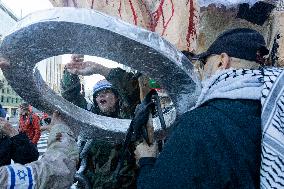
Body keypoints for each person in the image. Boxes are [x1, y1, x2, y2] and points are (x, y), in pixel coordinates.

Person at [134, 28, 284, 189]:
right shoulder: (276, 112)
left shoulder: (199, 124)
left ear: (222, 62)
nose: (201, 70)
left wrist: (147, 161)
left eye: (205, 63)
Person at [61, 55, 141, 188]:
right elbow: (70, 99)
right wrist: (70, 71)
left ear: (117, 97)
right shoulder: (89, 118)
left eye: (107, 92)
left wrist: (100, 69)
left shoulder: (128, 117)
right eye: (97, 94)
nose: (101, 95)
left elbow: (132, 89)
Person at [0, 111, 79, 188]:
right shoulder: (22, 118)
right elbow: (53, 172)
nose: (21, 111)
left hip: (27, 141)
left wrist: (28, 140)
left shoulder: (32, 117)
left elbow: (36, 131)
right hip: (28, 140)